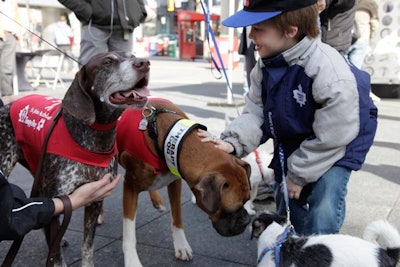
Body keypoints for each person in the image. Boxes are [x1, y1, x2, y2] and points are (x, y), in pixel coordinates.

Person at [199, 0, 377, 235]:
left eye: (258, 29)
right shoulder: (265, 66)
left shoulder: (328, 69)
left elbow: (335, 133)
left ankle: (320, 247)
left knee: (324, 199)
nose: (251, 36)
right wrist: (233, 142)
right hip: (298, 133)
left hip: (339, 141)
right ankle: (295, 244)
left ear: (290, 30)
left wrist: (299, 175)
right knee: (287, 196)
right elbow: (256, 111)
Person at [58, 0, 148, 66]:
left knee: (125, 73)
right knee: (91, 69)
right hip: (95, 25)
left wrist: (140, 11)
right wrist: (87, 11)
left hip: (124, 26)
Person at [345, 0, 380, 101]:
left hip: (345, 38)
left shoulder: (348, 3)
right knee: (356, 69)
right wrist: (370, 38)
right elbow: (374, 24)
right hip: (361, 40)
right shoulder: (370, 3)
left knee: (347, 67)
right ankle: (363, 92)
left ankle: (361, 91)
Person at [0, 0, 21, 97]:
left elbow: (17, 16)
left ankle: (6, 97)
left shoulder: (12, 2)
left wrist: (19, 32)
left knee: (7, 69)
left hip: (10, 35)